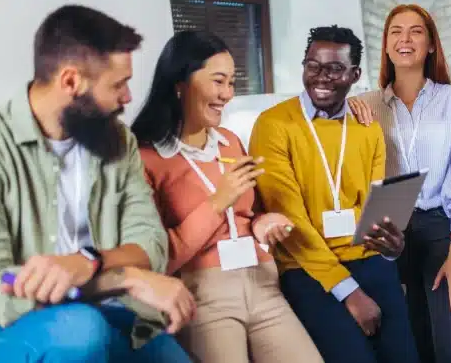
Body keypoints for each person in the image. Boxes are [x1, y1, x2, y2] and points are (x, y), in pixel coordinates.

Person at [0, 5, 196, 363]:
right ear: (71, 82)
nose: (128, 98)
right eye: (118, 85)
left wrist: (87, 262)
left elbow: (151, 244)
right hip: (18, 324)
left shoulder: (118, 140)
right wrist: (122, 278)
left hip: (117, 314)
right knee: (81, 332)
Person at [131, 30, 323, 363]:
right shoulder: (146, 157)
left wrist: (265, 224)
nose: (227, 95)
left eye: (232, 83)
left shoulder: (230, 142)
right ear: (180, 83)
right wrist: (218, 202)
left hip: (263, 283)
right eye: (218, 82)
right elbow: (158, 258)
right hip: (204, 295)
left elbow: (250, 214)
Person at [248, 25, 419, 363]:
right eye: (313, 65)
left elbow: (374, 209)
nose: (321, 77)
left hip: (369, 260)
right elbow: (291, 224)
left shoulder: (366, 128)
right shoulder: (273, 125)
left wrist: (391, 247)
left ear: (354, 74)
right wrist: (350, 293)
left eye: (334, 68)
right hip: (308, 270)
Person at [348, 4, 451, 363]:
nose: (405, 39)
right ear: (386, 45)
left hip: (443, 230)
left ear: (431, 44)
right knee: (408, 347)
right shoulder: (362, 106)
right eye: (396, 32)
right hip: (390, 232)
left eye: (416, 31)